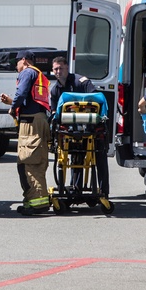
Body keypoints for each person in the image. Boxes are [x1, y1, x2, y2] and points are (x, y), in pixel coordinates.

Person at [0, 50, 52, 216]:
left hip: (30, 123)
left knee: (29, 160)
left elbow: (21, 94)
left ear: (24, 60)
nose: (16, 66)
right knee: (38, 160)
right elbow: (31, 99)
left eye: (17, 62)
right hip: (40, 120)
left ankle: (37, 203)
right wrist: (12, 102)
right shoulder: (39, 74)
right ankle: (34, 200)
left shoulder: (26, 72)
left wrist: (13, 107)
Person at [49, 56, 110, 198]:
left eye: (61, 68)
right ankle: (75, 188)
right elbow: (53, 113)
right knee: (76, 156)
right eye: (55, 69)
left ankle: (103, 191)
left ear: (67, 68)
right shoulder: (55, 90)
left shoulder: (81, 82)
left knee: (99, 156)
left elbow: (97, 98)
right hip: (70, 131)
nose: (58, 71)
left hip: (90, 128)